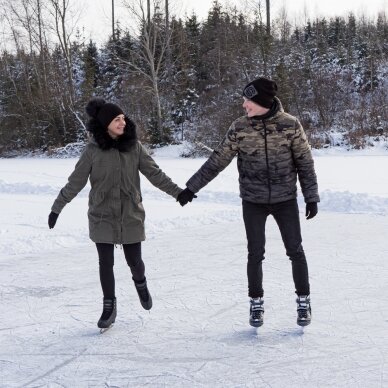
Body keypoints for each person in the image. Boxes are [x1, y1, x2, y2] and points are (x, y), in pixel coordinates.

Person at [178, 77, 319, 327]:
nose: (244, 105)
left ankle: (303, 301)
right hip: (253, 201)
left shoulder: (290, 125)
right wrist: (191, 187)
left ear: (261, 101)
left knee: (295, 251)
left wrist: (311, 197)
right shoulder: (240, 127)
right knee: (255, 253)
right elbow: (218, 160)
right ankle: (256, 303)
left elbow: (305, 163)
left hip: (285, 199)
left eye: (247, 101)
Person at [48, 98, 184, 330]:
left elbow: (155, 174)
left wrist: (178, 193)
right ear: (105, 124)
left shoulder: (134, 147)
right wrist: (56, 207)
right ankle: (109, 307)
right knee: (105, 262)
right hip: (102, 215)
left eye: (123, 118)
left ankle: (140, 283)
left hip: (130, 213)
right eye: (116, 119)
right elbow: (75, 182)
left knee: (135, 262)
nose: (123, 122)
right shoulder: (92, 151)